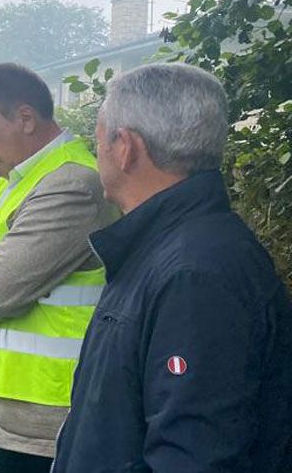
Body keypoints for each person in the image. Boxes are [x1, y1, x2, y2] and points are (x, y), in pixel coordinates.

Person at [53, 63, 292, 472]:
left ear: (125, 147)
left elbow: (192, 457)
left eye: (99, 143)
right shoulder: (163, 248)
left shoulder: (196, 274)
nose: (99, 158)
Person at [0, 63, 117, 472]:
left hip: (48, 420)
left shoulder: (70, 184)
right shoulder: (12, 180)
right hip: (3, 404)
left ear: (25, 118)